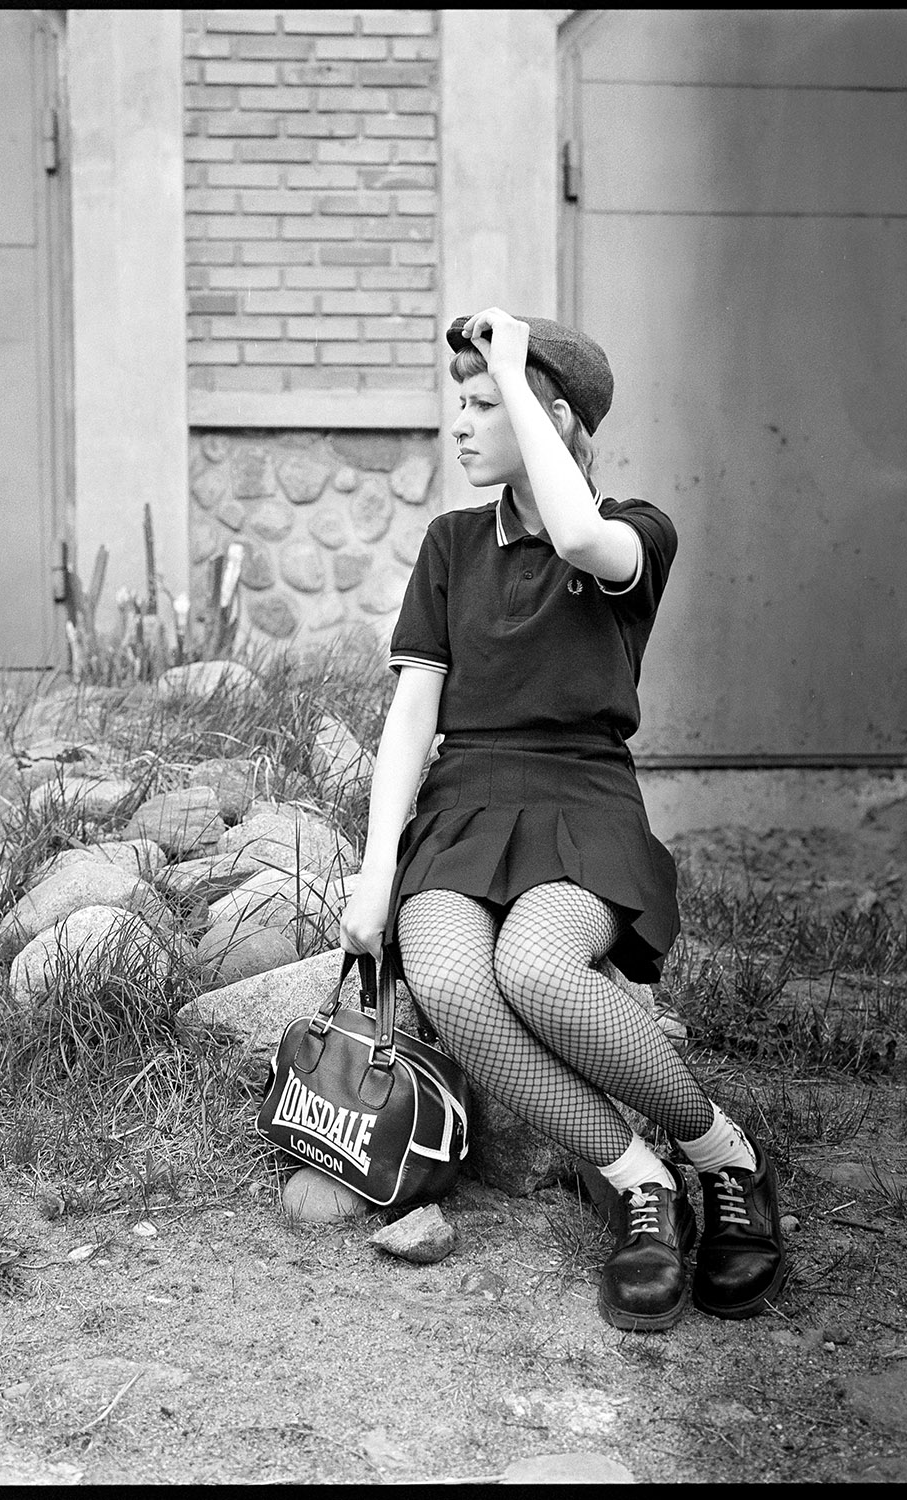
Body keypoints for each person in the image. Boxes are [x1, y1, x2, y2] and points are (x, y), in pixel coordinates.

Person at [337, 308, 785, 1330]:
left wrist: (518, 366)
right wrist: (374, 871)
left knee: (537, 968)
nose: (460, 423)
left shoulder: (635, 532)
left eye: (485, 402)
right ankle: (639, 1182)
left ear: (558, 419)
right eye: (460, 400)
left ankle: (724, 1154)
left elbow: (578, 533)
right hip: (464, 811)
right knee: (453, 978)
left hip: (583, 806)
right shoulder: (453, 544)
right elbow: (411, 717)